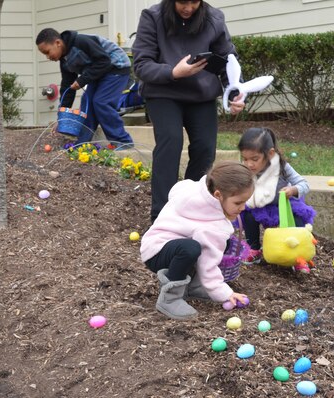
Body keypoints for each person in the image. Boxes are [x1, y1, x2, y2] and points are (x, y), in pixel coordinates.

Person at [132, 0, 246, 222]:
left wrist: (234, 92)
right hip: (163, 92)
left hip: (200, 95)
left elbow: (227, 60)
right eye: (182, 1)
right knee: (170, 142)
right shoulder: (152, 17)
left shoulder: (214, 18)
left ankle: (192, 207)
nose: (188, 7)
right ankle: (162, 216)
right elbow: (141, 64)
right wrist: (173, 72)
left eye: (194, 2)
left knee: (205, 149)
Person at [140, 160, 253, 320]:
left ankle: (194, 286)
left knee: (222, 242)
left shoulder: (197, 190)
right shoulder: (212, 226)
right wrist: (225, 293)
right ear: (218, 195)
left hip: (156, 243)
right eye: (238, 203)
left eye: (245, 202)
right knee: (191, 249)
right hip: (156, 253)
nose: (242, 208)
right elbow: (208, 264)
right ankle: (170, 298)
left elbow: (179, 187)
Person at [35, 28, 133, 145]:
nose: (47, 57)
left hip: (116, 67)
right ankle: (82, 143)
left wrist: (82, 80)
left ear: (58, 43)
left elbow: (104, 61)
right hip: (98, 73)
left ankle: (122, 141)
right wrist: (61, 118)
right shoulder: (64, 61)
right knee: (87, 102)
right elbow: (67, 87)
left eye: (47, 52)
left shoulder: (80, 42)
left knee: (101, 102)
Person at [237, 127, 316, 273]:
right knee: (247, 213)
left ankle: (299, 256)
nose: (249, 164)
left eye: (255, 159)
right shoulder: (245, 170)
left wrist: (293, 190)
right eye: (245, 159)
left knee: (297, 216)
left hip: (282, 205)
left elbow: (304, 183)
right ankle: (254, 249)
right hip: (259, 206)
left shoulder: (282, 167)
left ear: (270, 154)